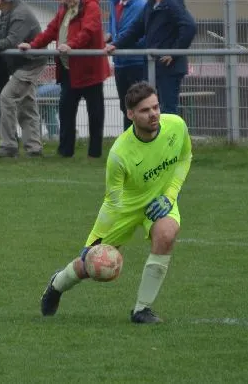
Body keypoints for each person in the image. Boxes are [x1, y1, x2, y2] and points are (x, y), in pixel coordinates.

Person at [39, 81, 192, 324]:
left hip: (160, 203)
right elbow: (112, 202)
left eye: (155, 107)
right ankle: (57, 284)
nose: (153, 114)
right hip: (125, 208)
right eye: (145, 110)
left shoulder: (176, 126)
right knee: (89, 266)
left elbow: (185, 157)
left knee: (167, 234)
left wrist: (170, 196)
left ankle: (142, 309)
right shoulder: (119, 153)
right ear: (130, 115)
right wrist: (92, 242)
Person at [18, 0, 109, 158]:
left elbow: (88, 32)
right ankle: (65, 151)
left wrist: (71, 46)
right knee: (66, 110)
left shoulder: (91, 6)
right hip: (69, 70)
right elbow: (51, 30)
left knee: (95, 113)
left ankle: (95, 153)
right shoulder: (63, 8)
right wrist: (33, 44)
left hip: (90, 70)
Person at [106, 0, 197, 114]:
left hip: (169, 67)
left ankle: (170, 130)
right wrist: (116, 44)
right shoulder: (151, 4)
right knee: (152, 107)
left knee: (167, 110)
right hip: (153, 65)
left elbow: (189, 26)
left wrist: (174, 52)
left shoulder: (172, 4)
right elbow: (136, 29)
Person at [0, 0, 45, 158]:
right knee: (26, 105)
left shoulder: (20, 14)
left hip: (30, 63)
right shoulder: (9, 11)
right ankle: (34, 148)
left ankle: (8, 145)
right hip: (22, 64)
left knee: (6, 97)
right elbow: (1, 35)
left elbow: (11, 41)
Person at [108, 0, 148, 130]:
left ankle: (140, 136)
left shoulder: (141, 5)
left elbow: (133, 33)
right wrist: (108, 37)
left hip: (136, 62)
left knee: (137, 104)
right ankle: (129, 138)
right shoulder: (114, 3)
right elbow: (114, 28)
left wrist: (115, 43)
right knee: (125, 106)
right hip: (119, 63)